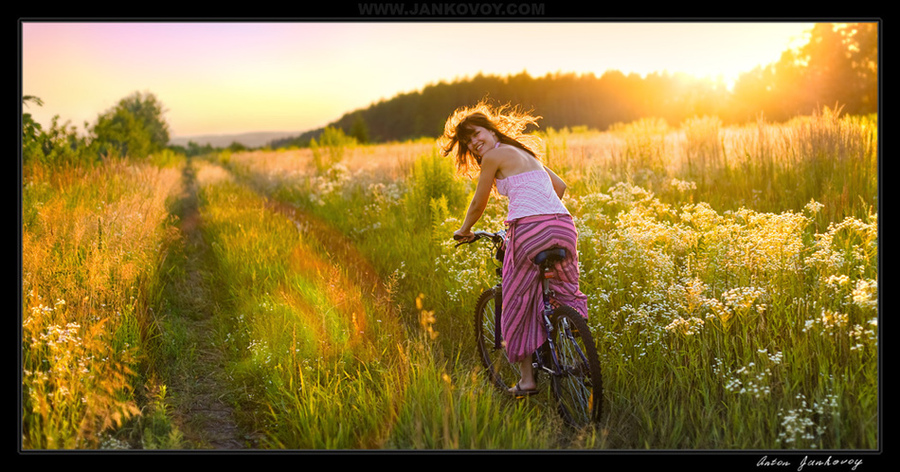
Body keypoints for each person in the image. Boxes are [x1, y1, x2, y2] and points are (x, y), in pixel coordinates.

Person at [439, 101, 588, 396]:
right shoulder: (527, 154)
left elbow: (479, 202)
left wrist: (465, 229)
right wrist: (541, 210)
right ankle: (570, 338)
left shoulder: (493, 156)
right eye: (468, 142)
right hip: (563, 226)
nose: (474, 143)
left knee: (517, 300)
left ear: (490, 130)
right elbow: (559, 186)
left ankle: (527, 380)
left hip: (530, 232)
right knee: (563, 291)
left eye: (475, 134)